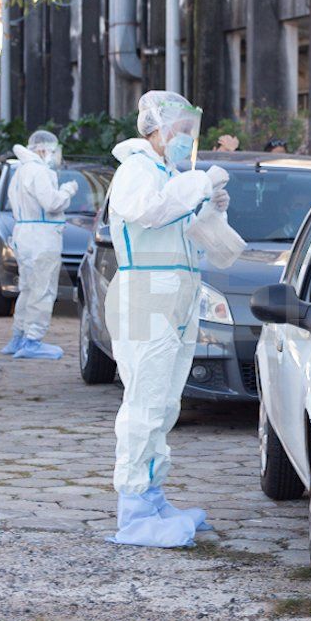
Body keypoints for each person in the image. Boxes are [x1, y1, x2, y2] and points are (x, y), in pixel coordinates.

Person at [105, 91, 232, 548]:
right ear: (156, 127)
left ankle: (153, 495)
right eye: (180, 130)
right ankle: (134, 510)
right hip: (145, 297)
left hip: (176, 298)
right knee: (144, 399)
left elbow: (191, 236)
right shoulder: (136, 170)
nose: (185, 140)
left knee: (164, 401)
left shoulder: (166, 173)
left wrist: (209, 207)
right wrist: (195, 185)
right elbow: (147, 211)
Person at [0, 130, 78, 359]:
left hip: (24, 234)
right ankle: (33, 340)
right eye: (53, 151)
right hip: (42, 237)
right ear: (43, 149)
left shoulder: (21, 171)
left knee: (28, 288)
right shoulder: (40, 171)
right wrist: (67, 190)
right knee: (43, 290)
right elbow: (52, 203)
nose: (55, 156)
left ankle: (19, 336)